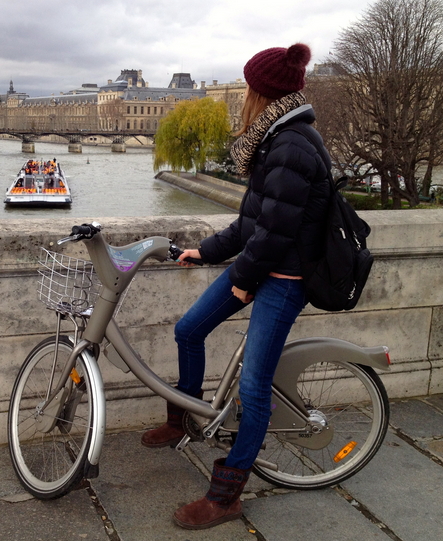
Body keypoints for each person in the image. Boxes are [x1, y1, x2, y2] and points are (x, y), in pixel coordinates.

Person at [140, 43, 331, 530]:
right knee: (189, 330)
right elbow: (252, 223)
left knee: (253, 387)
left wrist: (244, 281)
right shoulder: (275, 139)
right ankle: (181, 418)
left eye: (248, 86)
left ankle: (226, 497)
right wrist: (205, 250)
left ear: (260, 92)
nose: (243, 94)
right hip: (259, 263)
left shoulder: (291, 144)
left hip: (283, 278)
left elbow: (276, 232)